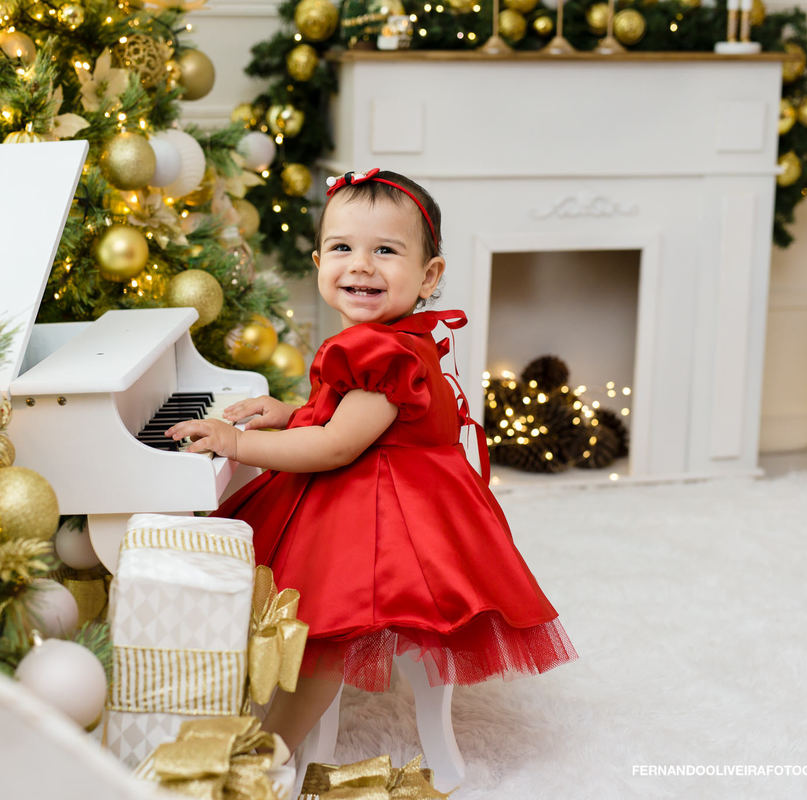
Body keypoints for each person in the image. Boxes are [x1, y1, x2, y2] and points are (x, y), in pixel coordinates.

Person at [167, 168, 578, 753]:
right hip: (393, 480)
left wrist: (236, 444)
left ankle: (270, 750)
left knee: (319, 627)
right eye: (342, 248)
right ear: (318, 263)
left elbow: (335, 445)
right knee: (304, 607)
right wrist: (290, 412)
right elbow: (341, 415)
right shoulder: (387, 338)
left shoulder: (382, 352)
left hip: (392, 511)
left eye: (385, 250)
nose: (360, 265)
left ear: (428, 275)